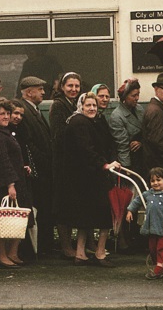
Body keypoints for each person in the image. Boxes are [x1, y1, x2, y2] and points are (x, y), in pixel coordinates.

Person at [63, 91, 121, 267]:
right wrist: (104, 165)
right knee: (106, 215)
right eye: (88, 105)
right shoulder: (80, 123)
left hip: (84, 178)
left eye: (94, 105)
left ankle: (80, 253)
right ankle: (100, 252)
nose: (92, 108)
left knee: (85, 218)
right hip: (90, 177)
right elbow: (86, 150)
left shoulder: (85, 122)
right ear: (81, 106)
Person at [0, 98, 31, 268]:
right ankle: (2, 255)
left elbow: (10, 158)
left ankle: (12, 252)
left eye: (7, 113)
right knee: (1, 221)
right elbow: (1, 162)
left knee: (15, 218)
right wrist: (10, 184)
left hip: (12, 181)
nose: (6, 116)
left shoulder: (3, 132)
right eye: (1, 113)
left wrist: (21, 167)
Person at [15, 76, 53, 258]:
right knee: (37, 209)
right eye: (40, 89)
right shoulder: (25, 111)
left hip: (41, 169)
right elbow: (29, 142)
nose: (43, 92)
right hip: (37, 170)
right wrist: (43, 160)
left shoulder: (33, 110)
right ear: (29, 92)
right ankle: (37, 249)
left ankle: (43, 247)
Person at [125, 166, 163, 280]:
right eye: (152, 180)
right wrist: (130, 210)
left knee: (162, 248)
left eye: (158, 180)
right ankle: (159, 265)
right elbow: (137, 200)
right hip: (153, 227)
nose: (155, 183)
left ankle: (159, 269)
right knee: (152, 248)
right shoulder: (149, 193)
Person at [49, 71, 81, 258]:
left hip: (74, 162)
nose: (73, 89)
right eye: (70, 86)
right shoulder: (58, 106)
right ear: (62, 87)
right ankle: (66, 246)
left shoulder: (75, 104)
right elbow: (59, 135)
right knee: (63, 204)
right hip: (63, 162)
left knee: (71, 204)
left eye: (76, 86)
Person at [110, 78, 145, 171]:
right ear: (124, 97)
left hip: (144, 157)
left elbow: (147, 130)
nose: (137, 98)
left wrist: (141, 142)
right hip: (132, 161)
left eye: (138, 94)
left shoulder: (139, 109)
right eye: (133, 95)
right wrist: (127, 169)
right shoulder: (117, 116)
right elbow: (123, 146)